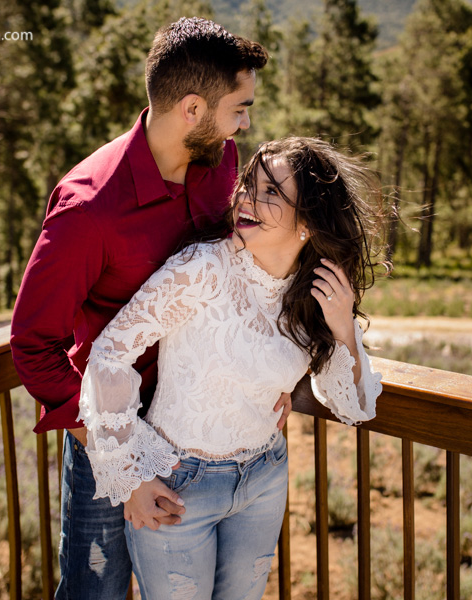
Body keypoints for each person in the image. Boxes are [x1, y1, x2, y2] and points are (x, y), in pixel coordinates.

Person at [9, 17, 272, 600]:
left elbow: (235, 276)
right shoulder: (89, 208)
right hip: (114, 428)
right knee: (94, 590)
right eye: (239, 107)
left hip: (198, 430)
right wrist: (118, 460)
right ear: (193, 109)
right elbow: (32, 343)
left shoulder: (222, 162)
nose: (246, 122)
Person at [79, 136, 386, 600]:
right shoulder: (201, 269)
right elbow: (108, 355)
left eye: (271, 193)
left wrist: (343, 329)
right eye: (249, 185)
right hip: (179, 486)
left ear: (307, 222)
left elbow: (355, 407)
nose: (247, 199)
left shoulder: (315, 292)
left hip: (264, 479)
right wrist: (132, 476)